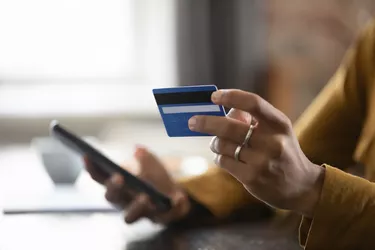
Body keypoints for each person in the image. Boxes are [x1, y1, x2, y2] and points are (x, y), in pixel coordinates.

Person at [85, 20, 375, 249]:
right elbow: (278, 170)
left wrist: (313, 190)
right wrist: (180, 197)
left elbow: (303, 180)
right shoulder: (370, 47)